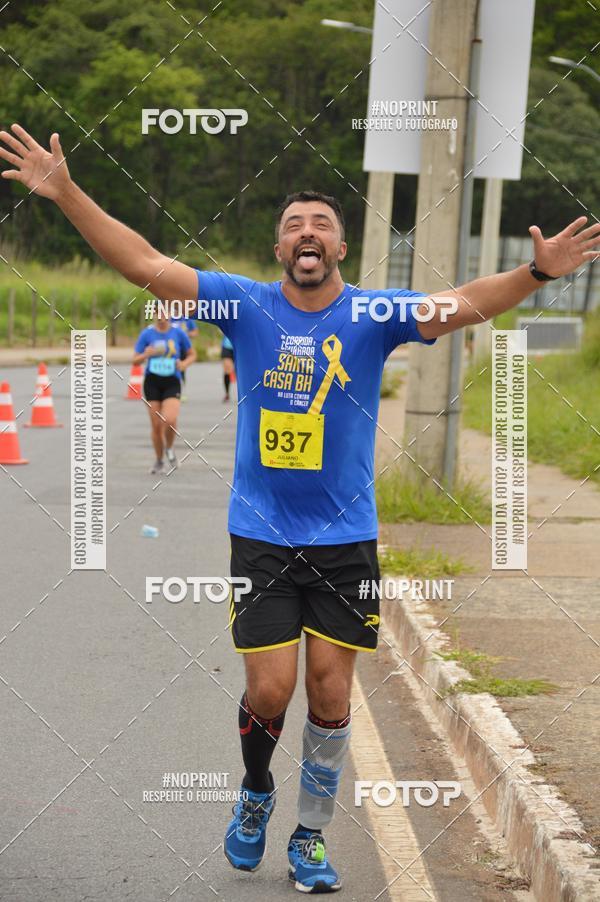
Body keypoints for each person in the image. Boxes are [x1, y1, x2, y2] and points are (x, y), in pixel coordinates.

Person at [2, 124, 598, 894]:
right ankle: (256, 794)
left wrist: (535, 274)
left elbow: (462, 305)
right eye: (292, 226)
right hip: (261, 533)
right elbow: (148, 266)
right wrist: (67, 191)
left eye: (320, 225)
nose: (306, 234)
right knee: (269, 691)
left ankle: (311, 836)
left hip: (347, 538)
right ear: (280, 249)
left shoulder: (374, 316)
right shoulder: (245, 305)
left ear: (340, 250)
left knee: (330, 691)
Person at [133, 307, 196, 474]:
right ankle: (159, 460)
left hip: (172, 381)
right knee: (156, 425)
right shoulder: (147, 334)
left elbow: (192, 354)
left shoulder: (178, 333)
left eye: (164, 313)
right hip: (152, 382)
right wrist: (146, 355)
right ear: (153, 315)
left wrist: (183, 364)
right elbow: (135, 360)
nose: (161, 317)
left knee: (168, 420)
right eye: (158, 313)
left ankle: (169, 448)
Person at [170, 314, 198, 401]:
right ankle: (168, 391)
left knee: (181, 369)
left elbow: (195, 332)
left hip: (183, 348)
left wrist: (185, 334)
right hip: (171, 348)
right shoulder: (168, 317)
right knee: (170, 369)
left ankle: (180, 392)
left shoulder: (187, 319)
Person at [220, 334, 235, 402]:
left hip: (240, 347)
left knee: (243, 371)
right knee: (227, 370)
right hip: (227, 346)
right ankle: (227, 393)